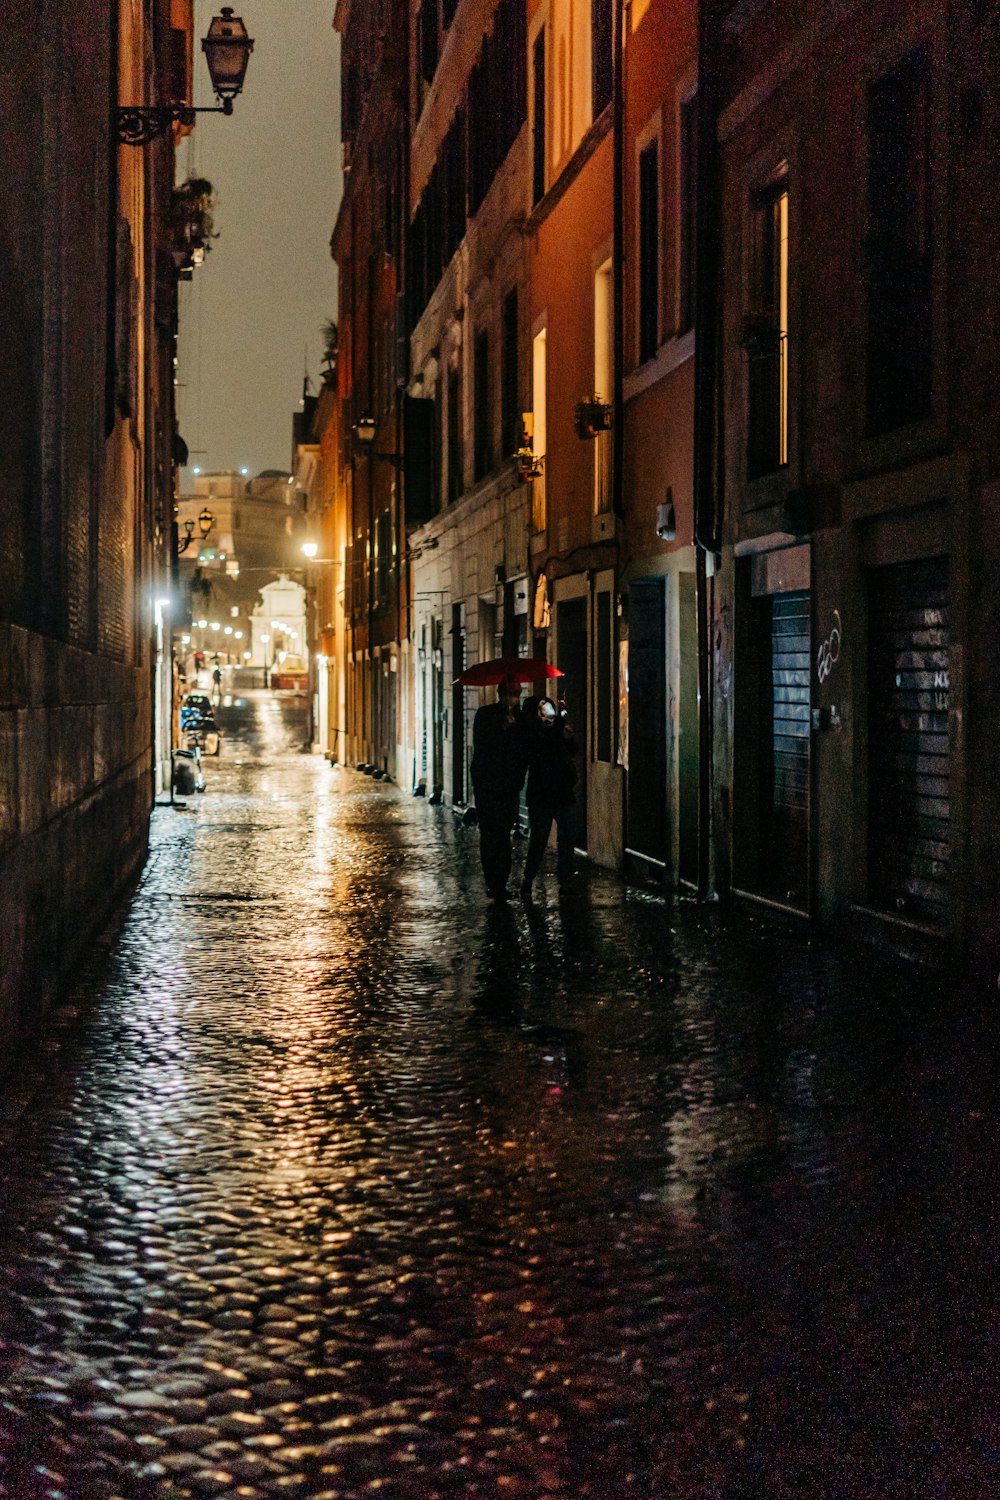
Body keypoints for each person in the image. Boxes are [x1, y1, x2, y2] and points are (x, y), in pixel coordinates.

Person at [471, 675, 528, 902]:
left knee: (503, 836)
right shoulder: (485, 715)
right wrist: (503, 730)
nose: (516, 697)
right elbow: (483, 747)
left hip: (508, 788)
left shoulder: (521, 719)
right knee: (489, 835)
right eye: (513, 693)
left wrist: (514, 730)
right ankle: (492, 883)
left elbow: (523, 750)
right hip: (487, 787)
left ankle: (500, 883)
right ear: (502, 694)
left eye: (518, 693)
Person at [520, 694, 579, 898]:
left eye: (550, 708)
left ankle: (566, 881)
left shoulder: (556, 732)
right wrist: (560, 725)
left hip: (563, 792)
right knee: (539, 840)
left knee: (568, 838)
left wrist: (569, 739)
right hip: (542, 796)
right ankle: (528, 879)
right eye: (544, 709)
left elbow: (571, 751)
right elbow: (545, 744)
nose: (549, 713)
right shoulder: (532, 733)